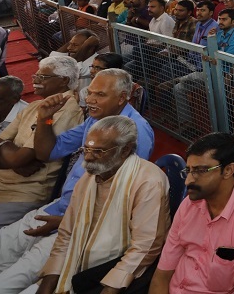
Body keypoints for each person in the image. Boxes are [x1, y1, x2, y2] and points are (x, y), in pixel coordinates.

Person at [0, 68, 154, 294]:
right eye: (89, 93)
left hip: (81, 226)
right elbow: (48, 152)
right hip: (57, 208)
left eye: (100, 95)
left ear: (121, 98)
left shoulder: (135, 133)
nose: (90, 99)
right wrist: (45, 118)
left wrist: (66, 223)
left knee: (5, 284)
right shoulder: (95, 120)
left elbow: (120, 202)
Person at [35, 116, 169, 294]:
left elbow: (146, 246)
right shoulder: (89, 177)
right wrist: (50, 279)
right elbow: (67, 233)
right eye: (86, 149)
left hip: (122, 269)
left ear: (124, 150)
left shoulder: (148, 181)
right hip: (81, 265)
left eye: (98, 151)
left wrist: (110, 288)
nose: (88, 157)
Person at [149, 132, 234, 294]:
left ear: (228, 171)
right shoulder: (189, 204)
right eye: (188, 170)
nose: (188, 180)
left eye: (200, 171)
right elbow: (162, 275)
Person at [0, 57, 84, 240]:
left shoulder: (65, 109)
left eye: (43, 77)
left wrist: (7, 151)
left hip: (22, 193)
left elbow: (22, 158)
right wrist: (10, 154)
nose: (35, 80)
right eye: (36, 75)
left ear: (64, 80)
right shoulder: (34, 106)